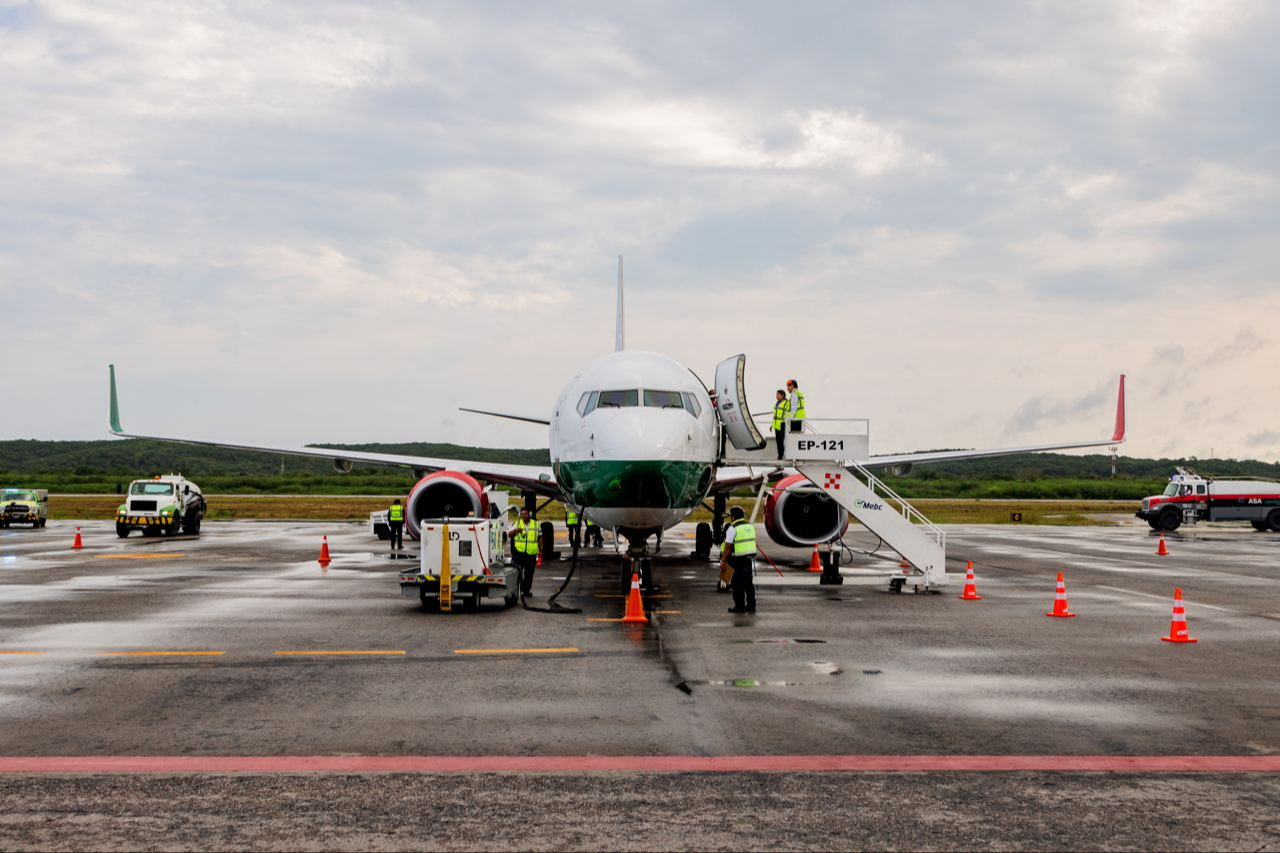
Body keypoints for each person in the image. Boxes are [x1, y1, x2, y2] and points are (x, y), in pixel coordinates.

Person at [720, 506, 757, 613]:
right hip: (749, 558)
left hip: (738, 559)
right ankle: (751, 605)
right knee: (748, 583)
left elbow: (727, 547)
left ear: (733, 517)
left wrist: (723, 561)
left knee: (737, 583)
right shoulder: (750, 526)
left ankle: (739, 606)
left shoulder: (733, 528)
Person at [511, 508, 540, 597]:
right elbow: (509, 534)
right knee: (517, 574)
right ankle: (516, 591)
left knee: (529, 574)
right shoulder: (517, 523)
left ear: (529, 515)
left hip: (531, 553)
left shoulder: (536, 524)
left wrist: (541, 550)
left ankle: (526, 591)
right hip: (519, 553)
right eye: (522, 514)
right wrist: (516, 530)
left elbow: (540, 537)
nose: (524, 516)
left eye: (526, 514)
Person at [771, 389, 790, 460]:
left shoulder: (786, 403)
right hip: (776, 425)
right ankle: (779, 454)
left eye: (778, 394)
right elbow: (774, 416)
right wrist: (772, 425)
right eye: (776, 394)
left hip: (783, 424)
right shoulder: (777, 403)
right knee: (777, 441)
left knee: (781, 441)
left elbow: (788, 414)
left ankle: (781, 455)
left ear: (782, 395)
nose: (776, 396)